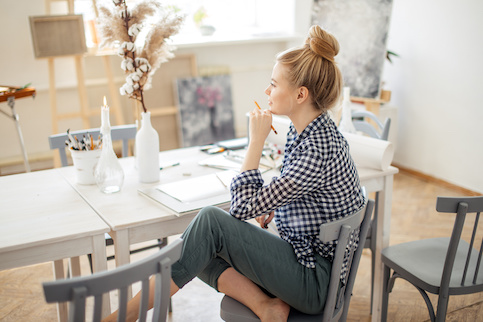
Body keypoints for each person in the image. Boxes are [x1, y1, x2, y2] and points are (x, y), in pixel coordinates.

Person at [104, 25, 365, 322]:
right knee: (195, 242)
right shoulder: (314, 131)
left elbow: (241, 208)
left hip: (314, 283)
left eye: (274, 84)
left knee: (208, 225)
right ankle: (265, 307)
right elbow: (303, 194)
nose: (267, 91)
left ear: (301, 94)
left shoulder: (314, 149)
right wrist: (276, 206)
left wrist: (255, 141)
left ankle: (121, 317)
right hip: (308, 263)